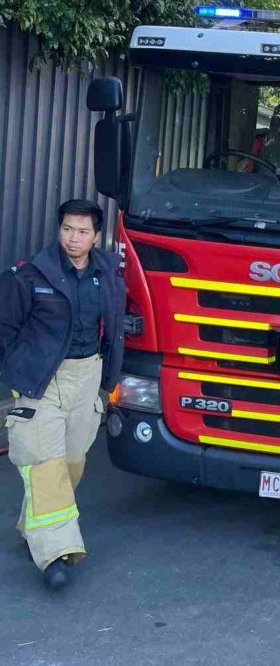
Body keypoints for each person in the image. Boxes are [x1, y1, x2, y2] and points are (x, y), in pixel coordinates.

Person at [0, 199, 125, 591]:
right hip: (42, 381)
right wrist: (20, 371)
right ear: (59, 230)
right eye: (68, 229)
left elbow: (117, 323)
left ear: (96, 236)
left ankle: (33, 526)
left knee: (71, 463)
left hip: (87, 377)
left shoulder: (107, 273)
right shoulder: (30, 275)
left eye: (83, 231)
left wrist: (110, 379)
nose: (74, 238)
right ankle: (57, 553)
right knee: (44, 465)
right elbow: (5, 328)